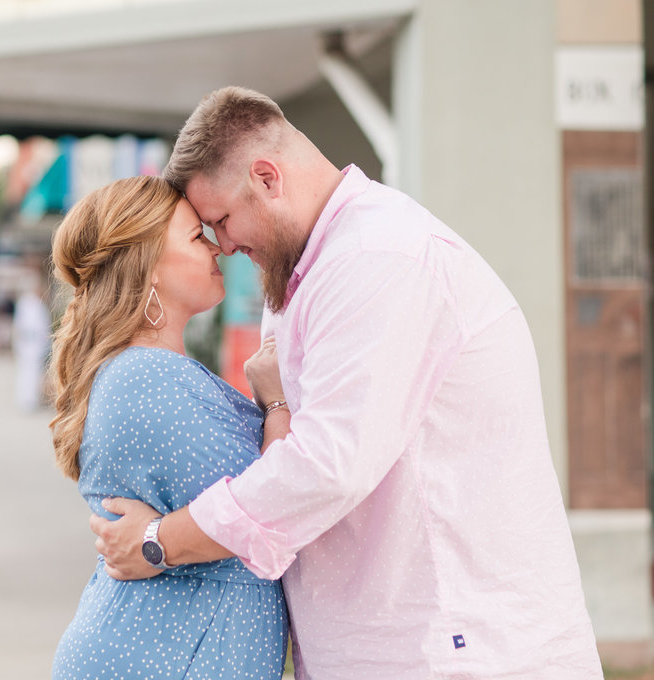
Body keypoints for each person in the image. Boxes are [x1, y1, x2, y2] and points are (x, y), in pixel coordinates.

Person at [90, 87, 603, 680]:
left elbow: (326, 465)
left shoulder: (379, 258)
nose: (224, 246)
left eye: (223, 220)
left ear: (267, 177)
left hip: (456, 649)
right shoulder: (300, 273)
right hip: (384, 648)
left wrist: (159, 542)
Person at [48, 175, 289, 680]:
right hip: (169, 656)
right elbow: (275, 504)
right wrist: (277, 404)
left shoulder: (151, 370)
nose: (217, 248)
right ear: (148, 265)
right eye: (197, 237)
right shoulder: (147, 376)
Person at [12, 278, 51, 412]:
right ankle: (25, 400)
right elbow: (19, 325)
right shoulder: (26, 303)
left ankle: (32, 399)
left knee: (34, 373)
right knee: (26, 372)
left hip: (35, 344)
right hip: (27, 343)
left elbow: (43, 327)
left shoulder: (39, 305)